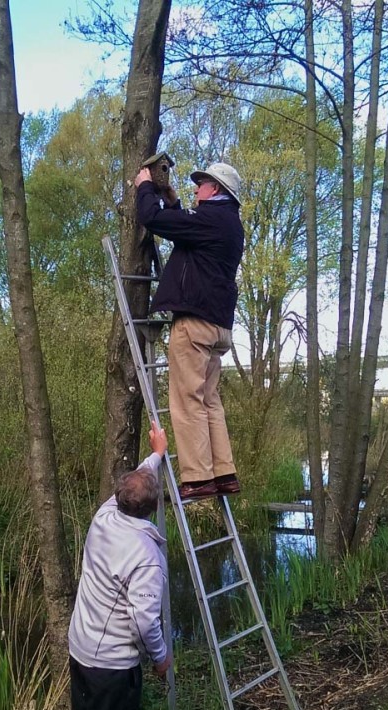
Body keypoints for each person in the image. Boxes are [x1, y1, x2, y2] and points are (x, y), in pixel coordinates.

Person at [49, 422, 171, 710]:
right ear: (154, 507)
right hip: (111, 670)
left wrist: (156, 454)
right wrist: (159, 658)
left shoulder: (105, 514)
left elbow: (136, 479)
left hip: (82, 654)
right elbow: (144, 621)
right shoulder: (145, 555)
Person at [135, 162, 245, 501]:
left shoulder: (213, 218)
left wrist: (144, 187)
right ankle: (223, 473)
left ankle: (197, 479)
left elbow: (154, 220)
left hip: (195, 323)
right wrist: (172, 201)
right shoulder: (229, 224)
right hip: (218, 325)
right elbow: (186, 230)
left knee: (187, 401)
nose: (196, 190)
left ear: (216, 190)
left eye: (201, 185)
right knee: (210, 402)